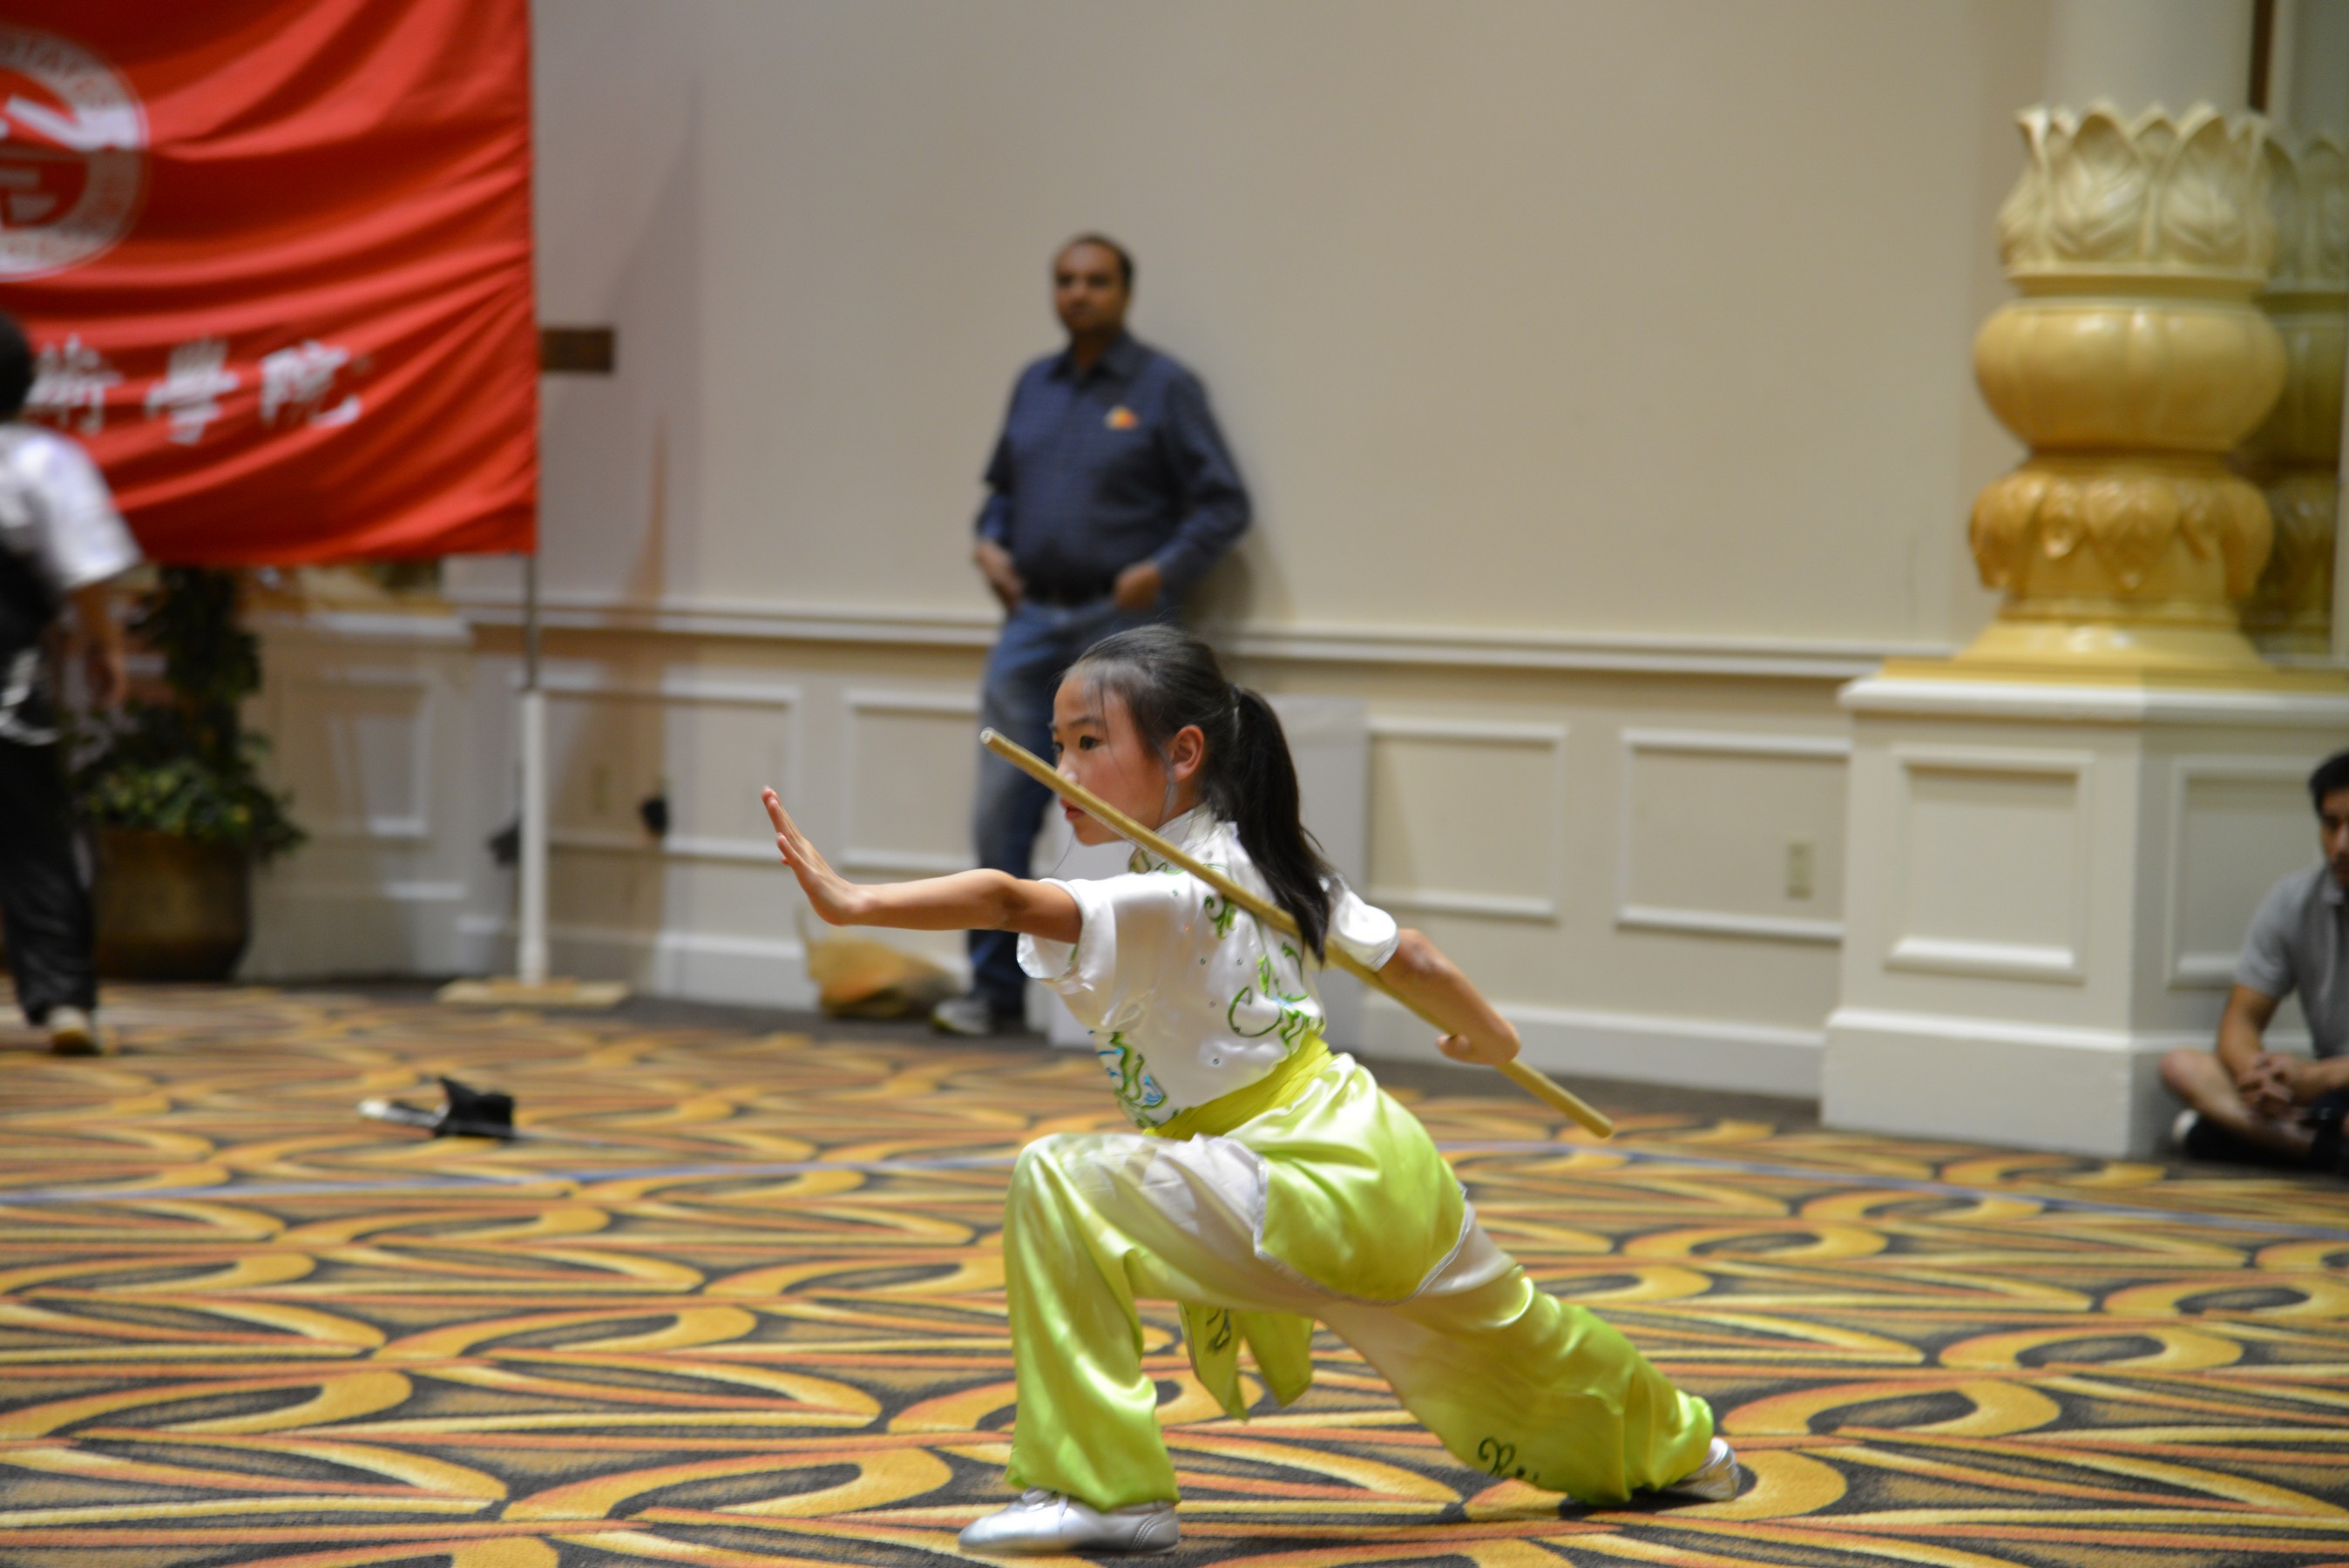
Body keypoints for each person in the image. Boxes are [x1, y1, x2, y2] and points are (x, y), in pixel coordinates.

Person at [762, 625, 1736, 1556]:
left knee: (1055, 1181)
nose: (1061, 768)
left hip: (1291, 1174)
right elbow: (1412, 956)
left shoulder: (1176, 890)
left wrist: (859, 902)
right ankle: (1688, 1450)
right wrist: (1492, 1038)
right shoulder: (1264, 862)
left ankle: (1103, 1494)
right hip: (1376, 1160)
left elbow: (1011, 898)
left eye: (1090, 742)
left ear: (1183, 752)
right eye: (1057, 744)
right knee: (1512, 1330)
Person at [936, 234, 1251, 1037]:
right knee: (1001, 806)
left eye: (1097, 282)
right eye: (1067, 281)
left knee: (1131, 814)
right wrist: (989, 545)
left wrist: (1160, 570)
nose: (1079, 294)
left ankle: (1138, 999)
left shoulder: (1164, 386)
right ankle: (993, 993)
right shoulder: (1033, 385)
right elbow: (999, 495)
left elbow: (1224, 505)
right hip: (1031, 619)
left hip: (1123, 626)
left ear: (1125, 293)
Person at [0, 312, 139, 1055]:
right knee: (30, 832)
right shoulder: (42, 460)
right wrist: (104, 643)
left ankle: (62, 1003)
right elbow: (84, 568)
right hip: (8, 666)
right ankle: (62, 1003)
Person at [2161, 747, 2349, 1175]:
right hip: (2325, 1093)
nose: (2342, 846)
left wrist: (2325, 1076)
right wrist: (2261, 1077)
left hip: (2330, 1081)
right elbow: (2240, 1021)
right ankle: (2326, 1149)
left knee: (2203, 1133)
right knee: (2182, 1067)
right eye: (2331, 825)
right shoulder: (2294, 899)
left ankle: (2278, 1143)